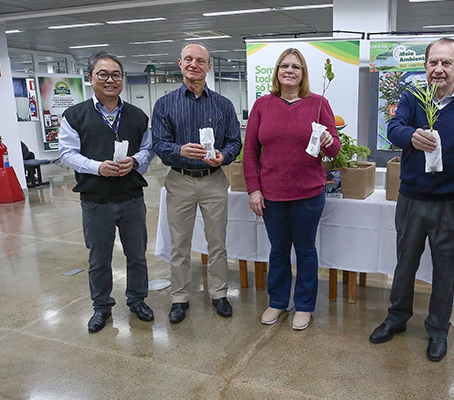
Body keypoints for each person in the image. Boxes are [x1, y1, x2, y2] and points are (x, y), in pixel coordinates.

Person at [369, 38, 454, 361]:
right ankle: (397, 318)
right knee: (405, 263)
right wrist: (410, 136)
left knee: (445, 270)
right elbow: (393, 128)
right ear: (425, 66)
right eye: (433, 62)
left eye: (446, 63)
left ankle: (438, 329)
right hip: (412, 199)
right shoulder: (412, 98)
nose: (439, 69)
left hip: (453, 203)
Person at [243, 48, 340, 331]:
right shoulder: (263, 105)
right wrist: (253, 189)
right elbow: (250, 151)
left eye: (296, 67)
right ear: (277, 72)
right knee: (278, 250)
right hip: (271, 195)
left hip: (308, 194)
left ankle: (305, 305)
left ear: (303, 73)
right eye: (284, 66)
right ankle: (277, 301)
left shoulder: (319, 103)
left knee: (306, 250)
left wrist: (327, 140)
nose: (289, 70)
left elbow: (334, 148)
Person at [59, 51, 154, 333]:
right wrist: (97, 167)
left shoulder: (137, 115)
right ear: (91, 78)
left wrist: (135, 161)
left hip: (131, 198)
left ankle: (137, 300)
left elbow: (148, 148)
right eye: (103, 74)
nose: (110, 80)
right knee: (99, 259)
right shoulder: (75, 115)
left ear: (122, 79)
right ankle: (101, 306)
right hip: (95, 201)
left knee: (137, 255)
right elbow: (66, 154)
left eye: (116, 75)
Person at [152, 43, 242, 324]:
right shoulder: (165, 104)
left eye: (200, 60)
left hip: (213, 180)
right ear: (180, 63)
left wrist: (224, 156)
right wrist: (179, 150)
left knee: (217, 242)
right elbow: (159, 144)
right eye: (188, 59)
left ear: (208, 67)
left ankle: (219, 293)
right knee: (179, 244)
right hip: (179, 180)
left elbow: (235, 142)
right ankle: (179, 297)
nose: (194, 64)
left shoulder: (223, 105)